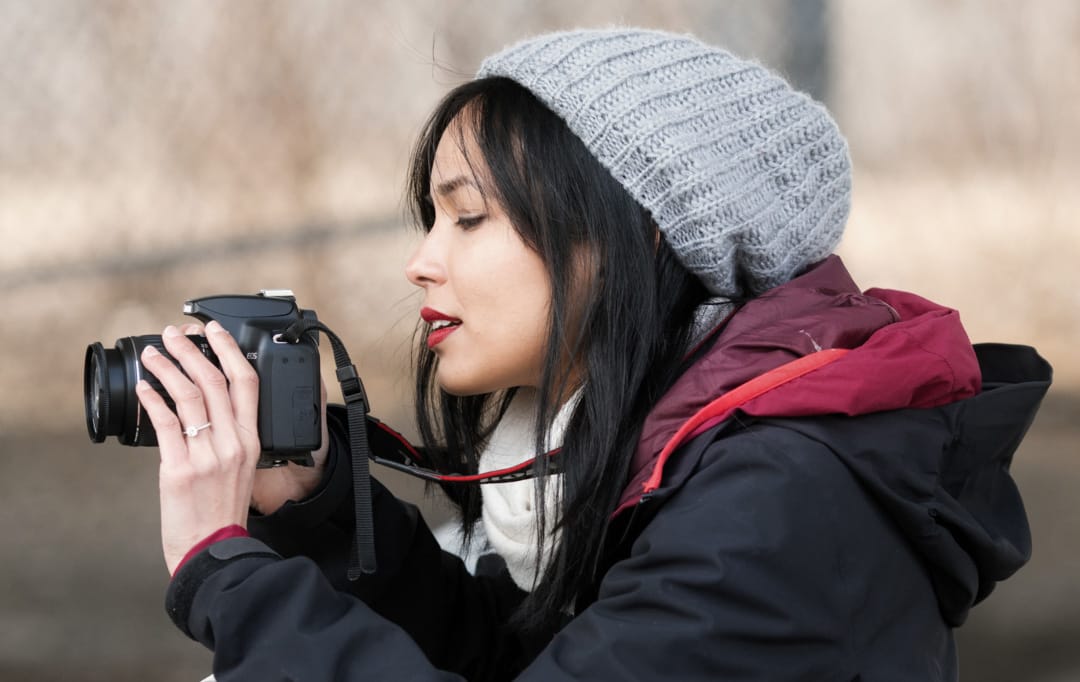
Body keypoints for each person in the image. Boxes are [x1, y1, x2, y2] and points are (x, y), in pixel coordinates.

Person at [136, 28, 1051, 681]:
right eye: (430, 220)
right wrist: (320, 511)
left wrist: (229, 574)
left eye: (468, 216)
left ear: (630, 238)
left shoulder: (778, 504)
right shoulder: (658, 453)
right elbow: (520, 657)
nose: (422, 262)